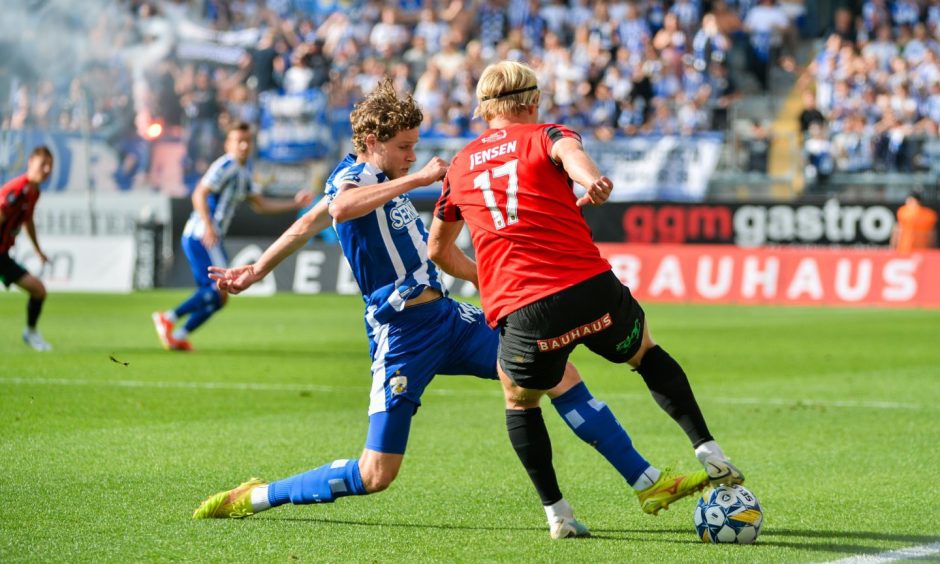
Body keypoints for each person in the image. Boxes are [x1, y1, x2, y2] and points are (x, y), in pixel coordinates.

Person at [191, 78, 704, 539]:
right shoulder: (352, 178)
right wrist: (415, 181)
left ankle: (646, 483)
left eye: (414, 147)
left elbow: (309, 225)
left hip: (448, 319)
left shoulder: (384, 182)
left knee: (556, 372)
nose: (413, 156)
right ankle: (258, 496)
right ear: (372, 144)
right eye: (403, 148)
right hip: (401, 335)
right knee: (377, 475)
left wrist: (256, 269)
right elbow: (335, 210)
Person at [429, 61, 744, 527]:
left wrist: (487, 277)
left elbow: (438, 248)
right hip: (590, 290)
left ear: (482, 109)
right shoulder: (545, 133)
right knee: (644, 352)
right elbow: (570, 155)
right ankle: (707, 448)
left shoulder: (458, 166)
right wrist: (590, 178)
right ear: (533, 102)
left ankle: (558, 514)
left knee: (520, 400)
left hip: (524, 309)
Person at [151, 122, 312, 351]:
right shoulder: (226, 165)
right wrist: (208, 225)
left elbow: (260, 205)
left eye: (247, 140)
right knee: (220, 289)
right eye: (239, 141)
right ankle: (169, 317)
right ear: (228, 144)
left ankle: (178, 334)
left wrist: (294, 204)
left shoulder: (244, 172)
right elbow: (199, 193)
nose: (244, 145)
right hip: (202, 235)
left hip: (208, 236)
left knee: (220, 295)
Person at [0, 145, 55, 351]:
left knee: (39, 291)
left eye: (50, 165)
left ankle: (31, 333)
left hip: (2, 256)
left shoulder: (33, 192)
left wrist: (38, 251)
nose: (47, 169)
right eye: (43, 164)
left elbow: (28, 221)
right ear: (30, 163)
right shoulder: (16, 190)